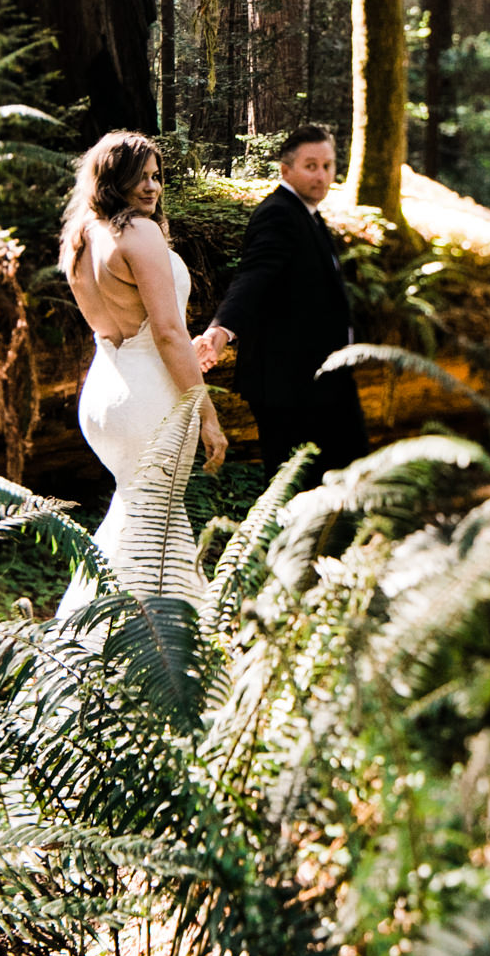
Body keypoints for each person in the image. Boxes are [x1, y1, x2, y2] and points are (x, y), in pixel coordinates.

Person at [60, 131, 226, 605]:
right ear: (113, 180)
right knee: (158, 524)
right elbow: (168, 333)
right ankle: (156, 650)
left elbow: (133, 327)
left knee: (135, 515)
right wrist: (206, 414)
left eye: (157, 177)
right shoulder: (138, 232)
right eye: (139, 177)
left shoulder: (82, 237)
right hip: (148, 401)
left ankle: (94, 631)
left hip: (105, 395)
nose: (152, 187)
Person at [194, 124, 369, 478]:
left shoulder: (308, 214)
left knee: (343, 478)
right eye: (311, 166)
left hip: (324, 380)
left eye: (328, 165)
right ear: (285, 170)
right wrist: (222, 329)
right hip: (291, 386)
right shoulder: (279, 214)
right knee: (296, 487)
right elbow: (254, 277)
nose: (322, 175)